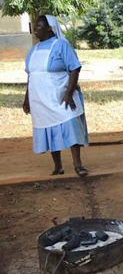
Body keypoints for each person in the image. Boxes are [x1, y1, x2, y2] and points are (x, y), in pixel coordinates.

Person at [23, 15, 89, 176]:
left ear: (49, 28)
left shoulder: (62, 45)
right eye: (35, 26)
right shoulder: (34, 50)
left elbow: (75, 69)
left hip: (61, 95)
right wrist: (26, 99)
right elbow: (31, 75)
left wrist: (68, 94)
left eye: (39, 26)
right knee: (49, 128)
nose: (35, 29)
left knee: (70, 124)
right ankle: (58, 166)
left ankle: (78, 164)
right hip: (39, 98)